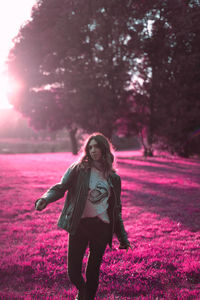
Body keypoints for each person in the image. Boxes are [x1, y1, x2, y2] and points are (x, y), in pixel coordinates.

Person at [35, 132, 131, 300]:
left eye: (97, 146)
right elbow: (60, 187)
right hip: (80, 225)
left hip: (102, 227)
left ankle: (86, 298)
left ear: (104, 149)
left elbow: (116, 210)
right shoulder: (79, 169)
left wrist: (123, 237)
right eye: (90, 147)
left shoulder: (114, 178)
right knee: (73, 271)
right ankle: (84, 294)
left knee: (93, 271)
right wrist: (45, 199)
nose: (93, 150)